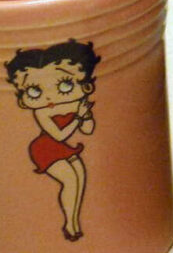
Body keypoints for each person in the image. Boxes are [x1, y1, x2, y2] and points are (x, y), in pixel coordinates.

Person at [5, 39, 101, 242]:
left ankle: (73, 221)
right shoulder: (42, 111)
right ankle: (70, 225)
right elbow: (57, 135)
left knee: (80, 178)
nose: (48, 97)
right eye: (34, 91)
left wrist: (85, 116)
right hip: (44, 148)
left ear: (85, 85)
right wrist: (78, 117)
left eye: (65, 85)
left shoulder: (76, 103)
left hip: (63, 147)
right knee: (71, 180)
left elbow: (88, 129)